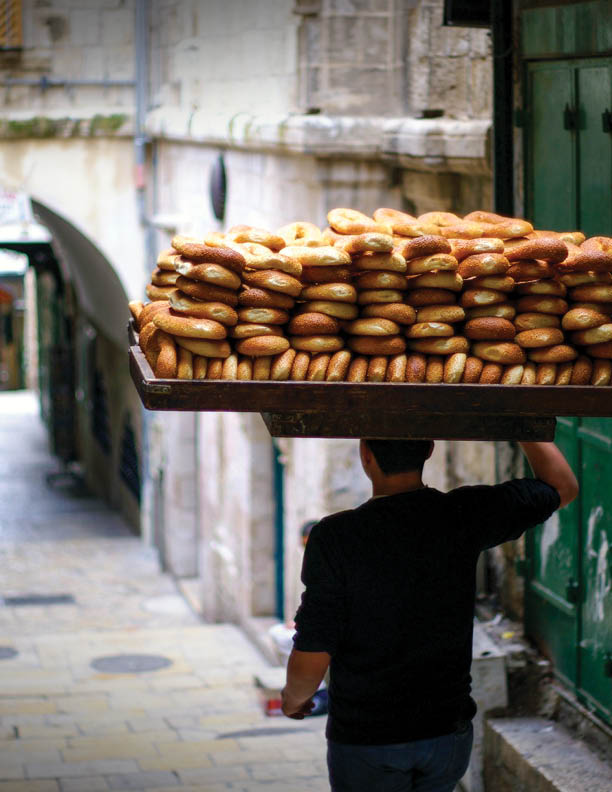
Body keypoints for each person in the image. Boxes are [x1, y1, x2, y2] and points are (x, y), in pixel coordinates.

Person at [281, 439, 578, 792]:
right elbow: (563, 487)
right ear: (429, 450)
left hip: (368, 739)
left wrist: (293, 699)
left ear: (365, 454)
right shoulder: (462, 515)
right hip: (445, 735)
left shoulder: (335, 536)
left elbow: (315, 643)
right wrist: (526, 426)